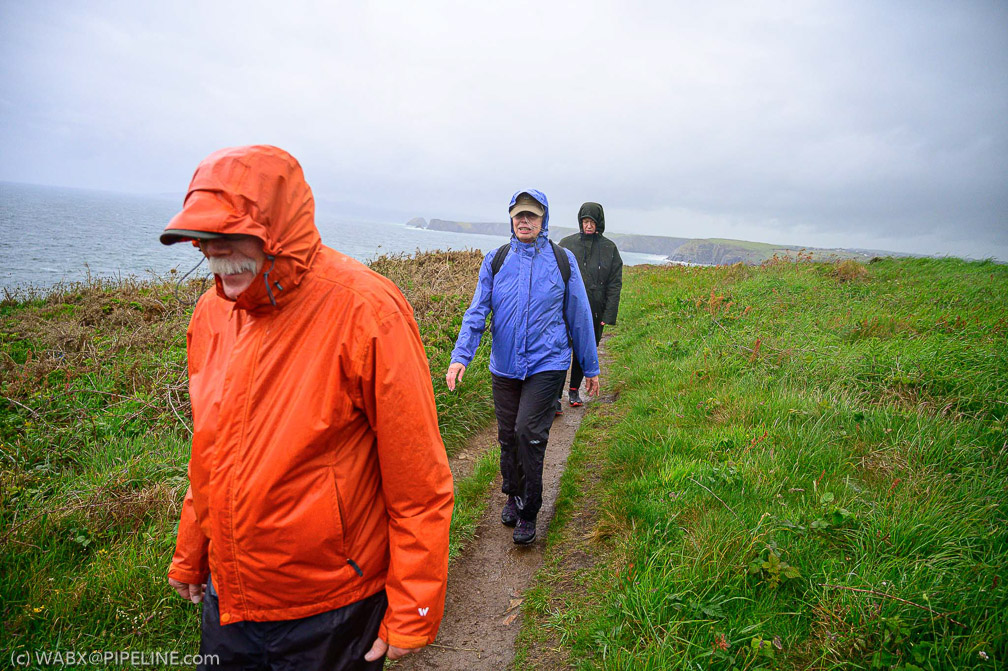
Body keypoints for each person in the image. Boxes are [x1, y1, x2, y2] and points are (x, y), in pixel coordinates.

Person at [161, 145, 453, 670]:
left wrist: (414, 609)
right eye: (203, 241)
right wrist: (191, 554)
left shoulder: (367, 310)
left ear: (278, 228)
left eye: (227, 238)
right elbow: (209, 450)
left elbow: (420, 481)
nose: (214, 256)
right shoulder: (211, 313)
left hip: (333, 609)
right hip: (229, 601)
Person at [445, 189, 599, 545]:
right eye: (519, 215)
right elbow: (477, 312)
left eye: (532, 215)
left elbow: (578, 313)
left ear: (543, 220)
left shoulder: (562, 260)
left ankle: (529, 510)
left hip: (548, 363)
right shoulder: (496, 260)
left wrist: (589, 366)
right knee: (507, 437)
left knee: (529, 433)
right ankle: (513, 494)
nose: (525, 221)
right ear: (511, 219)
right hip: (505, 366)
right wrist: (459, 356)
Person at [558, 202, 623, 407]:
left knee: (584, 350)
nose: (588, 225)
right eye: (585, 221)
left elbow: (614, 284)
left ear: (599, 223)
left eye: (592, 222)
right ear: (580, 221)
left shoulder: (609, 248)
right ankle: (555, 397)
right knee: (559, 351)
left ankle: (574, 391)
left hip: (595, 311)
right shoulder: (566, 244)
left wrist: (607, 316)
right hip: (566, 308)